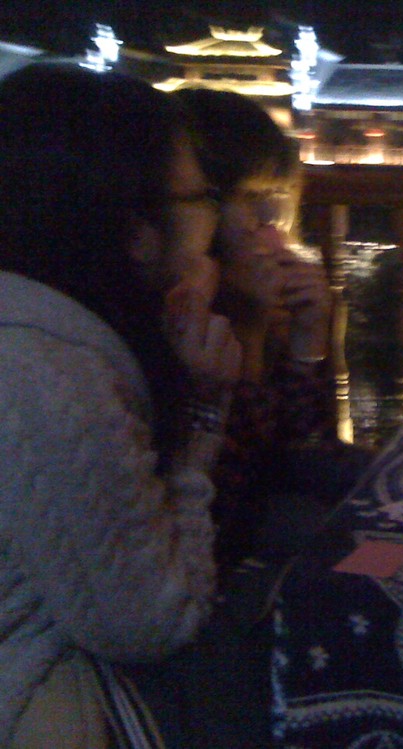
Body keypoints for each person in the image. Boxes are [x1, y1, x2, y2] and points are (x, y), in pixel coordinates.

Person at [0, 64, 241, 746]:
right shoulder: (50, 378)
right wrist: (204, 414)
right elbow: (154, 622)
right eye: (204, 198)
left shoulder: (45, 334)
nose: (220, 222)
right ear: (137, 232)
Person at [172, 88, 372, 571]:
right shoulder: (177, 318)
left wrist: (308, 344)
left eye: (277, 206)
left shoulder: (253, 298)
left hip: (254, 515)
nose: (274, 235)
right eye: (254, 204)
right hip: (207, 553)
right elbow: (234, 491)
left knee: (369, 477)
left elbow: (308, 451)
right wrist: (251, 332)